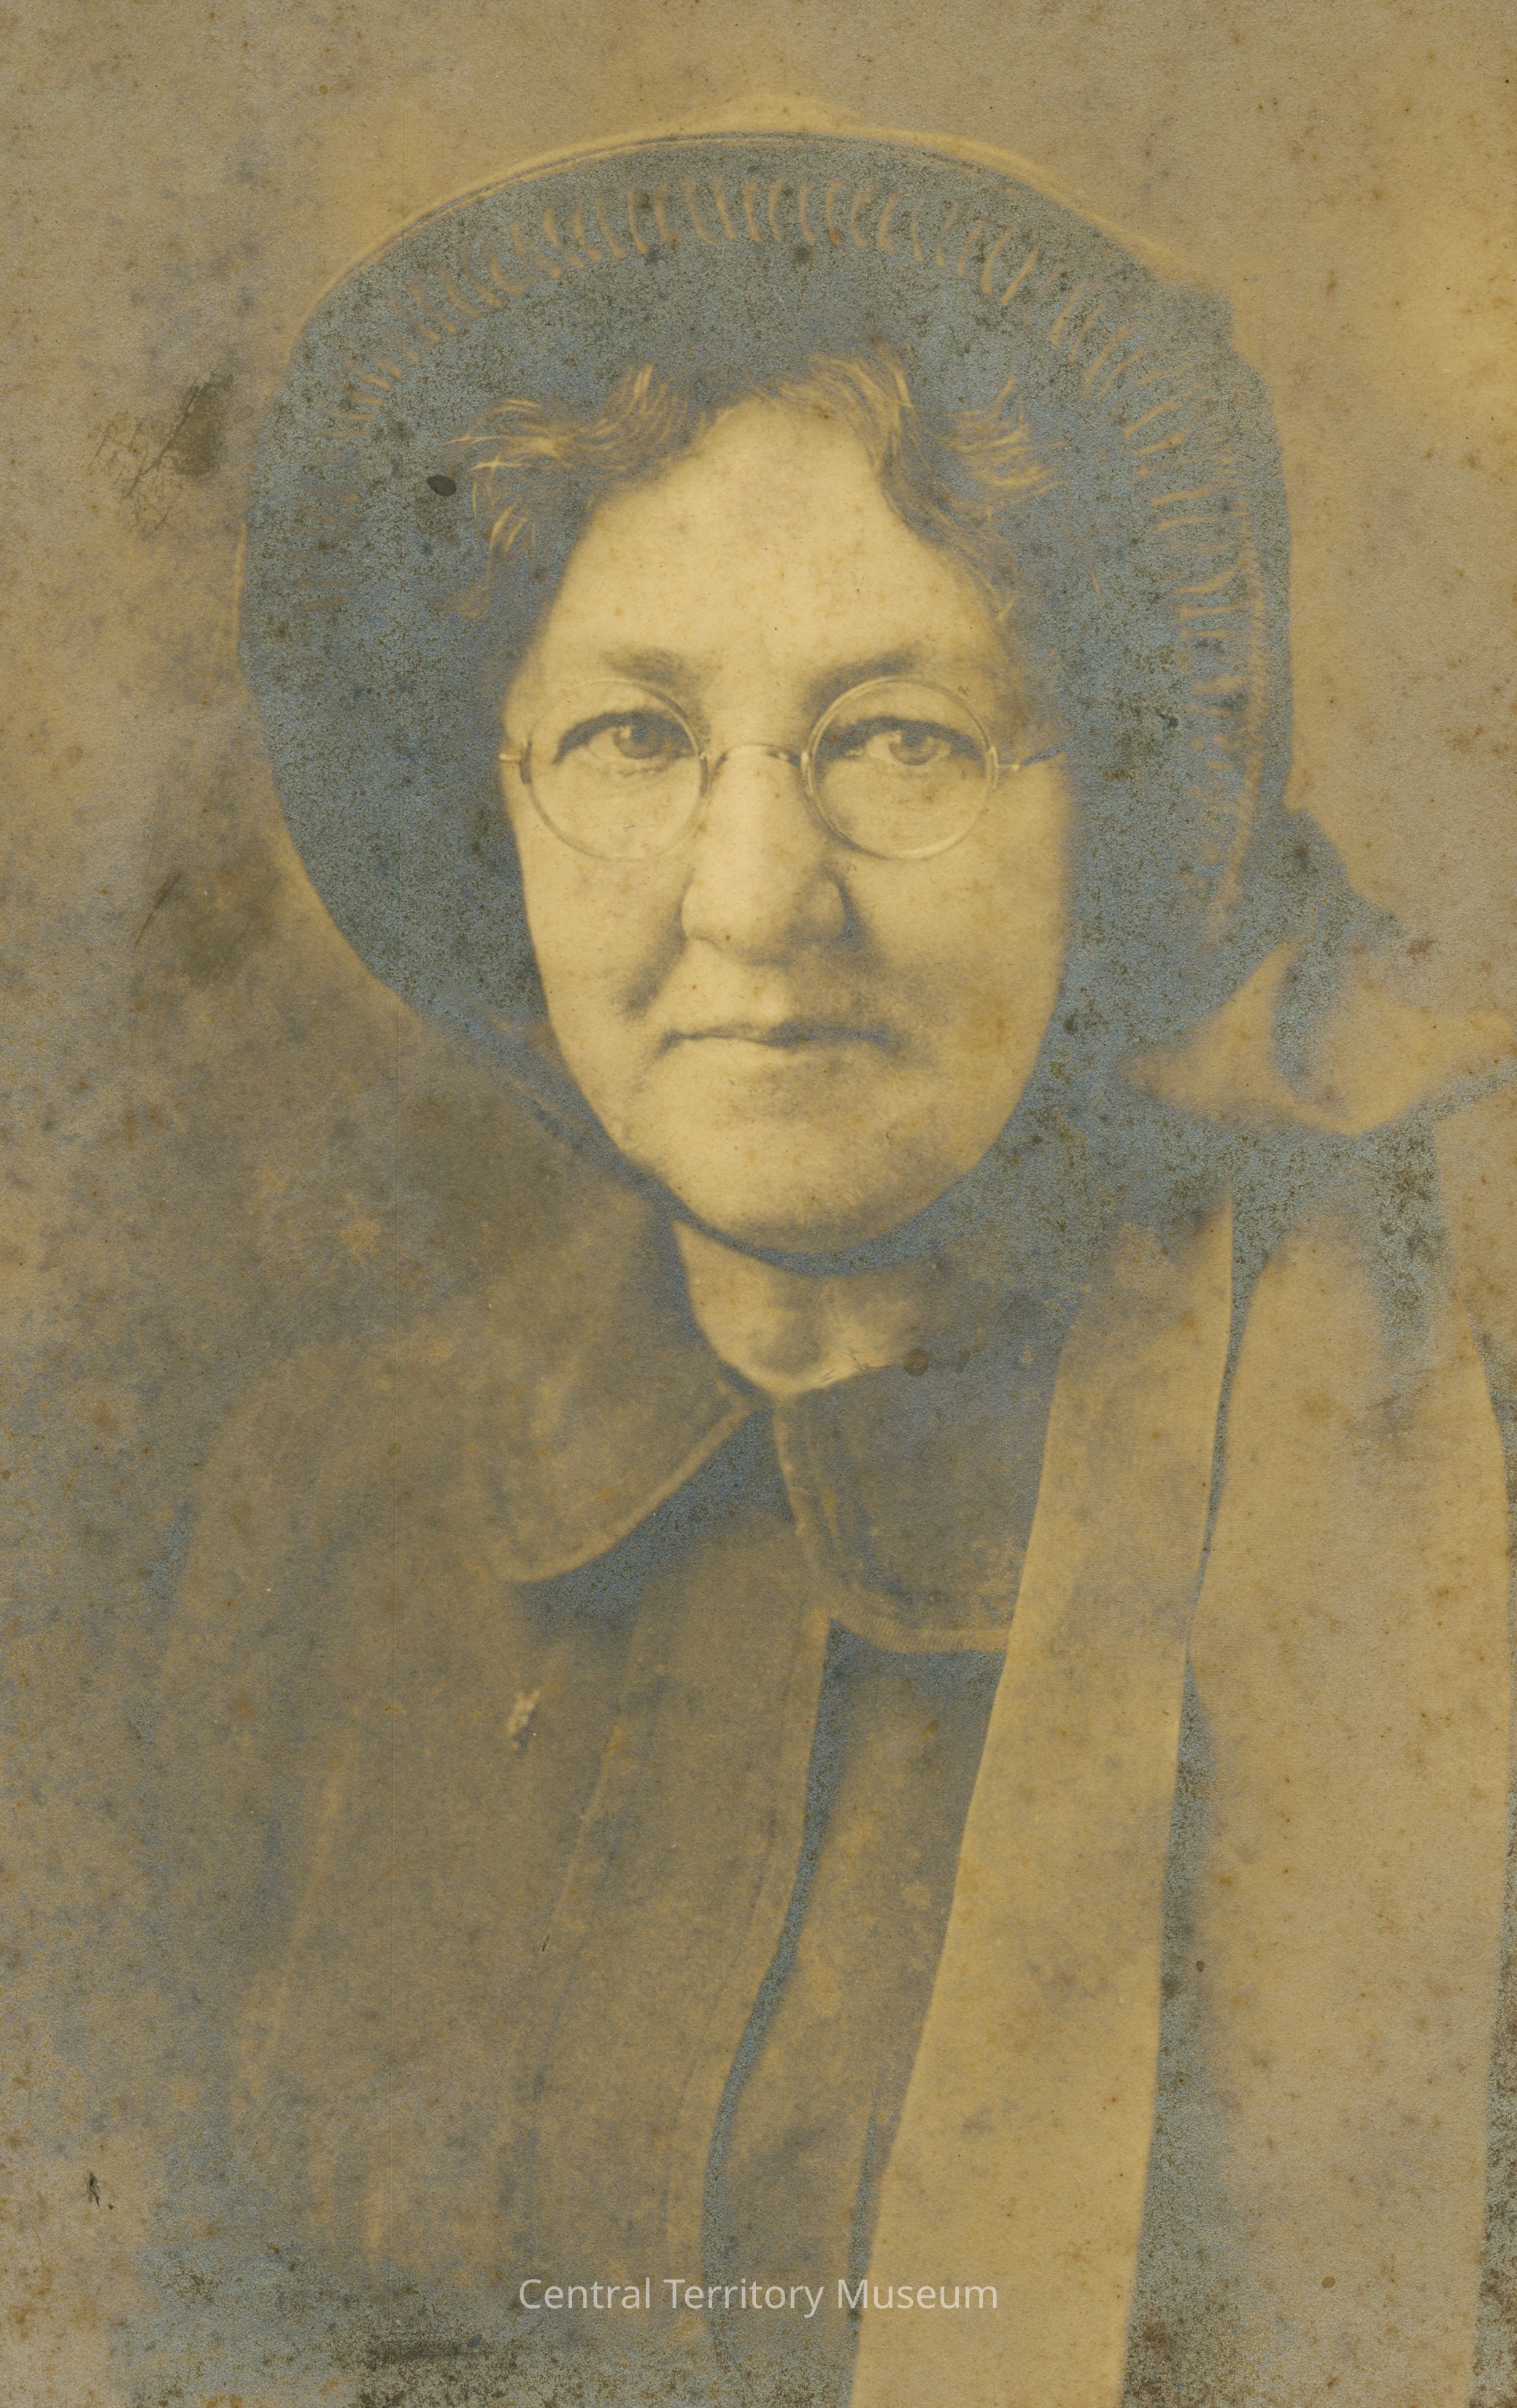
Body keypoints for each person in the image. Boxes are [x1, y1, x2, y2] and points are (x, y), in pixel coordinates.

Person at [151, 107, 1517, 2408]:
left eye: (898, 740)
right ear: (499, 801)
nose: (757, 900)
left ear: (1107, 806)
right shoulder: (323, 1510)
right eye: (631, 736)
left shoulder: (1405, 1488)